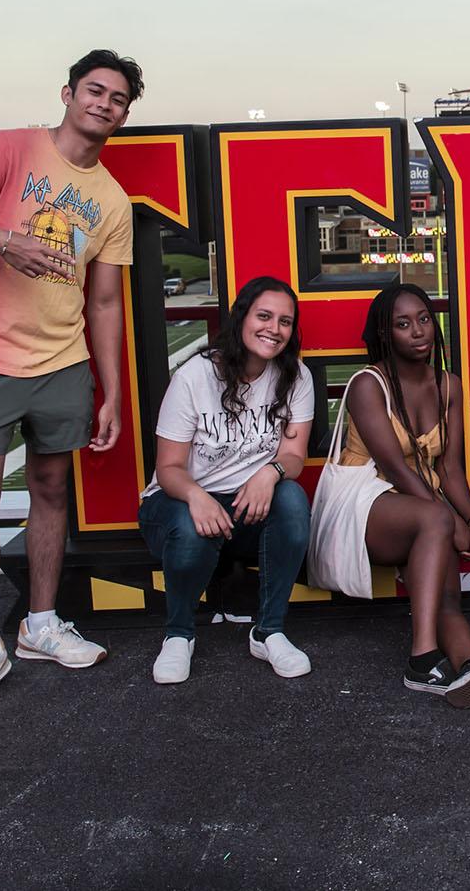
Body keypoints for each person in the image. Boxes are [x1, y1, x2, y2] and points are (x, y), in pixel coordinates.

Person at [0, 50, 141, 717]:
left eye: (118, 99)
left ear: (125, 114)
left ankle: (41, 624)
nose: (104, 104)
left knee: (52, 490)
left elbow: (104, 303)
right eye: (95, 90)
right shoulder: (12, 149)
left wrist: (113, 389)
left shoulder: (111, 200)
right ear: (69, 93)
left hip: (63, 362)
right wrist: (1, 242)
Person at [339, 283, 470, 708]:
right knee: (435, 520)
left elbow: (448, 468)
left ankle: (469, 667)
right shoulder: (368, 384)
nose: (418, 331)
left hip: (421, 512)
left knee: (447, 598)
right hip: (367, 508)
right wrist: (449, 520)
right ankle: (421, 661)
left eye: (423, 319)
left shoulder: (448, 386)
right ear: (386, 334)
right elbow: (397, 469)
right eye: (403, 324)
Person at [137, 277, 314, 684]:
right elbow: (168, 469)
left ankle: (268, 630)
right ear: (242, 318)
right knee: (189, 525)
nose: (275, 328)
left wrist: (269, 474)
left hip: (246, 504)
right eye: (264, 316)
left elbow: (293, 455)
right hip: (178, 501)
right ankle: (178, 634)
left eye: (285, 321)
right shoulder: (196, 376)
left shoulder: (295, 377)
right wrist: (197, 497)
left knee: (291, 501)